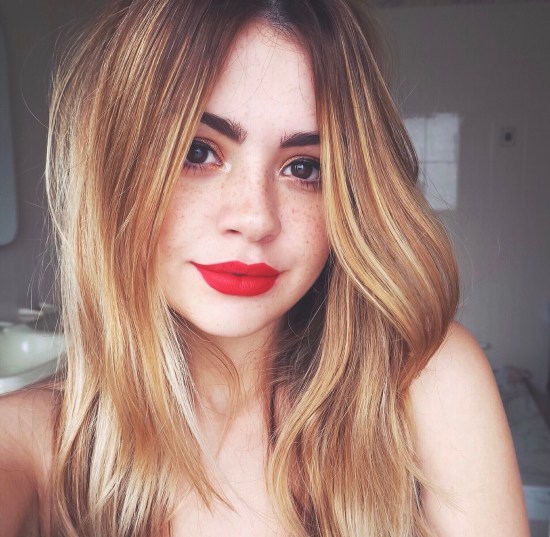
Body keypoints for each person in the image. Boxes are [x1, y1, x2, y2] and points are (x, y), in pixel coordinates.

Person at [0, 0, 529, 535]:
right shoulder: (30, 441)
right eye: (197, 152)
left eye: (304, 167)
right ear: (116, 168)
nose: (256, 218)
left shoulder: (429, 380)